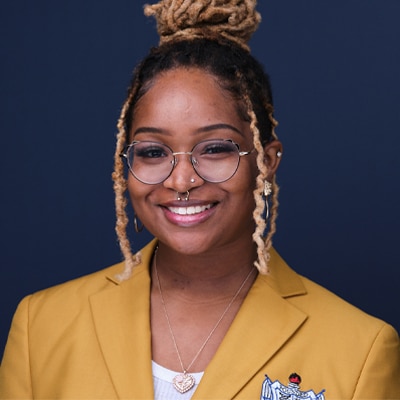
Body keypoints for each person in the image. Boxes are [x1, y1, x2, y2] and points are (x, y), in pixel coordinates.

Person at [1, 0, 399, 399]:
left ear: (266, 161)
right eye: (153, 152)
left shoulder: (360, 349)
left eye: (214, 148)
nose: (181, 181)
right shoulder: (43, 326)